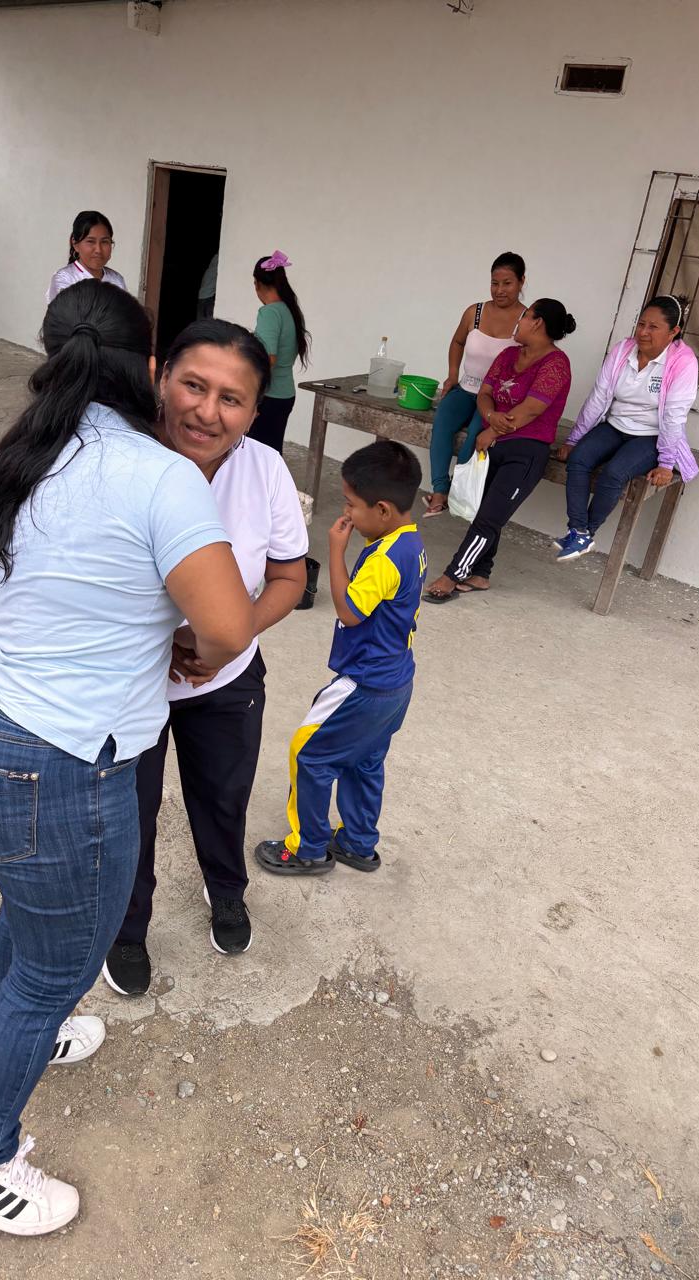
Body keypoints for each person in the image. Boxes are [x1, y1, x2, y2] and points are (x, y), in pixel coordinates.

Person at [0, 281, 253, 1235]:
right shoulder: (159, 477)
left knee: (32, 923)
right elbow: (229, 626)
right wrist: (191, 645)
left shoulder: (28, 451)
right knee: (52, 964)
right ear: (148, 368)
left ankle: (36, 1025)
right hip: (63, 766)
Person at [103, 319, 309, 996]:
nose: (207, 411)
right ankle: (126, 929)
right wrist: (156, 640)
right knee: (128, 814)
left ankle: (226, 892)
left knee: (223, 797)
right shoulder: (119, 460)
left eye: (231, 398)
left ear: (254, 410)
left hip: (227, 679)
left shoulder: (265, 470)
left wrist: (228, 635)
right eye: (193, 386)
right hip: (130, 684)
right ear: (161, 377)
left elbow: (289, 576)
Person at [254, 441, 426, 876]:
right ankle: (358, 843)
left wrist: (334, 549)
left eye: (351, 504)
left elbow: (349, 612)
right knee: (365, 760)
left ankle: (307, 848)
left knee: (308, 753)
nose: (346, 511)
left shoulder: (384, 558)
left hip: (363, 683)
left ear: (382, 509)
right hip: (396, 683)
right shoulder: (410, 542)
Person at [426, 299, 576, 601]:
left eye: (525, 317)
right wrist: (491, 416)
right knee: (485, 511)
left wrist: (493, 428)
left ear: (538, 323)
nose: (518, 322)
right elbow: (485, 392)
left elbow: (531, 409)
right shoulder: (509, 354)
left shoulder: (556, 364)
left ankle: (453, 575)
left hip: (525, 450)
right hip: (494, 443)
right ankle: (481, 575)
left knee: (489, 518)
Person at [553, 295, 699, 561]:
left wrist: (666, 463)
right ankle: (578, 531)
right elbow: (598, 398)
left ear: (673, 332)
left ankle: (586, 532)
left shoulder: (683, 362)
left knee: (614, 473)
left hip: (651, 436)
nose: (643, 332)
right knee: (579, 459)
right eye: (641, 324)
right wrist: (574, 440)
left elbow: (674, 416)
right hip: (615, 426)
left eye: (653, 327)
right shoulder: (623, 350)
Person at [423, 252, 526, 517]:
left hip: (494, 400)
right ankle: (439, 490)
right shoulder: (475, 312)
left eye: (507, 283)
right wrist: (452, 374)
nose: (499, 290)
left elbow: (528, 362)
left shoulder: (527, 321)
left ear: (521, 282)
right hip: (465, 389)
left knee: (473, 440)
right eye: (494, 283)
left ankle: (458, 494)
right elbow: (458, 341)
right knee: (442, 424)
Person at [249, 250, 311, 454]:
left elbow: (268, 358)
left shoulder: (269, 313)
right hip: (285, 393)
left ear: (257, 284)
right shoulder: (289, 310)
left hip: (269, 396)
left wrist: (250, 390)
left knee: (256, 454)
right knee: (271, 453)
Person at [46, 210, 127, 302]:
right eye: (90, 241)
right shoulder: (64, 278)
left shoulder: (117, 280)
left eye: (104, 242)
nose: (98, 250)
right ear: (75, 244)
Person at [196, 251, 218, 319]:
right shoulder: (213, 270)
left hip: (201, 297)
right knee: (209, 319)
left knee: (201, 320)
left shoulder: (209, 271)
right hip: (207, 297)